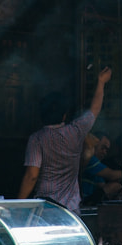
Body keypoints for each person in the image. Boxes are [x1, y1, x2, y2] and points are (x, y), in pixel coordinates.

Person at [17, 67, 111, 214]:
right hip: (71, 211)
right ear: (64, 116)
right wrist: (101, 82)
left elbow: (32, 176)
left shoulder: (37, 139)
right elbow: (94, 110)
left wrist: (17, 205)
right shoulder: (76, 131)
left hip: (45, 209)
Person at [80, 132, 122, 204]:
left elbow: (101, 185)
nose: (104, 152)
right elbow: (111, 175)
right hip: (82, 203)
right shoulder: (88, 159)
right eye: (103, 148)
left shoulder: (98, 166)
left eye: (107, 150)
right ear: (94, 145)